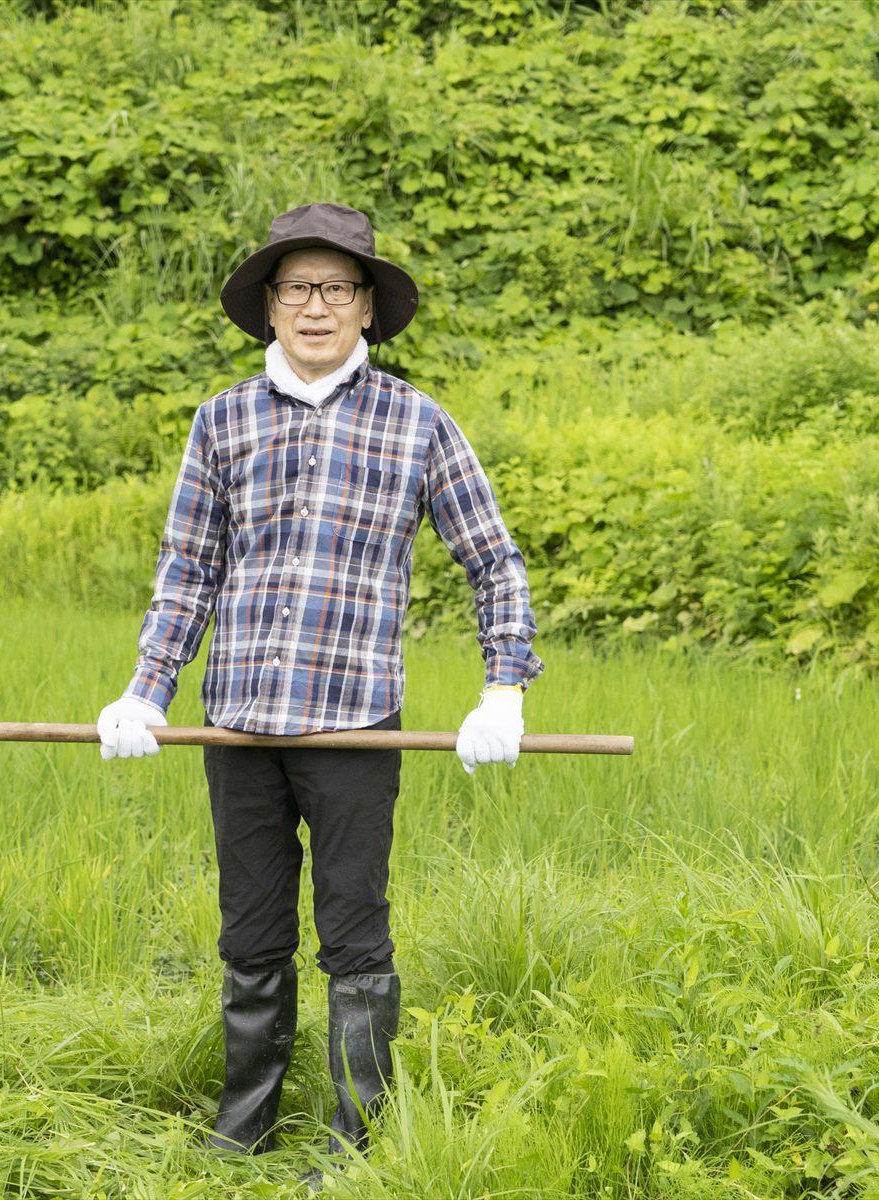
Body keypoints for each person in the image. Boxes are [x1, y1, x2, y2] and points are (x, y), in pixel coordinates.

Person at [96, 202, 544, 1177]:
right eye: (297, 287)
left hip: (355, 731)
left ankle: (355, 1142)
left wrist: (502, 688)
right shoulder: (222, 422)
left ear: (369, 309)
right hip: (239, 728)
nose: (315, 307)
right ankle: (244, 1125)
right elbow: (188, 572)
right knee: (250, 934)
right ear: (267, 305)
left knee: (353, 934)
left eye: (337, 288)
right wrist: (146, 692)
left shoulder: (418, 423)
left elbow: (494, 563)